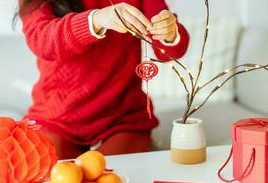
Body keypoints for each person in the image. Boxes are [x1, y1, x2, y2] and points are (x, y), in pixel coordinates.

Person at [17, 0, 189, 158]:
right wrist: (96, 20)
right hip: (56, 118)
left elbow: (170, 51)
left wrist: (169, 33)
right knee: (48, 179)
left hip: (123, 119)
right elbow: (42, 40)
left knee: (114, 180)